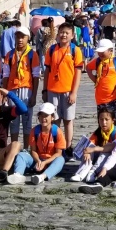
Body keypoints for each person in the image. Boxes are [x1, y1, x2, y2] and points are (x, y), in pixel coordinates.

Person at [43, 23, 84, 154]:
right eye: (61, 32)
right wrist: (44, 90)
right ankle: (56, 145)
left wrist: (74, 93)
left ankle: (68, 146)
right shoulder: (51, 50)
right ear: (58, 34)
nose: (64, 35)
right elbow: (47, 71)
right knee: (54, 120)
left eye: (67, 33)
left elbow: (78, 73)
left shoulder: (75, 50)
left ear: (72, 35)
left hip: (68, 91)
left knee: (68, 120)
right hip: (52, 90)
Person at [7, 102, 66, 185]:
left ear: (52, 117)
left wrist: (45, 162)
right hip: (37, 160)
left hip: (51, 162)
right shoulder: (34, 131)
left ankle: (42, 176)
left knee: (61, 160)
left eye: (46, 115)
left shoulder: (57, 132)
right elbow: (33, 151)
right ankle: (18, 175)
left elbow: (58, 153)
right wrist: (38, 161)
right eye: (41, 115)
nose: (43, 118)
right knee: (21, 155)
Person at [3, 26, 41, 151]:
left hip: (26, 89)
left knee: (27, 120)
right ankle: (14, 147)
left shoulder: (32, 55)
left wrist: (34, 95)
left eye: (23, 37)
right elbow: (6, 75)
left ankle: (25, 148)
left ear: (28, 38)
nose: (20, 39)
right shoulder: (10, 55)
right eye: (18, 37)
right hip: (12, 90)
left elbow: (36, 76)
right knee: (13, 120)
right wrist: (4, 93)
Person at [70, 107, 116, 182]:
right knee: (90, 148)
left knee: (104, 152)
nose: (104, 122)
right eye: (101, 119)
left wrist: (94, 149)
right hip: (98, 156)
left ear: (113, 121)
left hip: (111, 159)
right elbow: (89, 143)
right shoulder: (98, 132)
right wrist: (87, 152)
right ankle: (81, 173)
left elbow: (113, 147)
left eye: (107, 119)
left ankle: (93, 172)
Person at [86, 39, 116, 125]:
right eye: (99, 52)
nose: (100, 54)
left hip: (114, 99)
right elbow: (88, 67)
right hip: (100, 99)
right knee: (103, 123)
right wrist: (94, 80)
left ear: (111, 51)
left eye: (103, 52)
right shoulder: (98, 61)